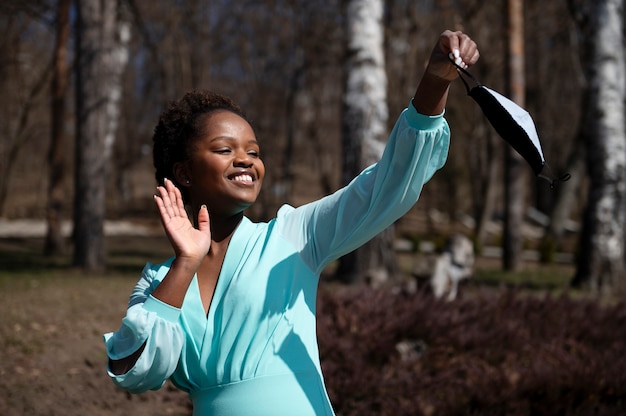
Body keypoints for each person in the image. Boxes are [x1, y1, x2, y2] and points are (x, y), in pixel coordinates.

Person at [103, 30, 479, 415]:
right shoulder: (157, 283)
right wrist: (185, 263)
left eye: (253, 151)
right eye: (224, 149)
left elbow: (383, 188)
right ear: (184, 172)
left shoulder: (292, 236)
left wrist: (434, 84)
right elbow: (133, 372)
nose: (246, 159)